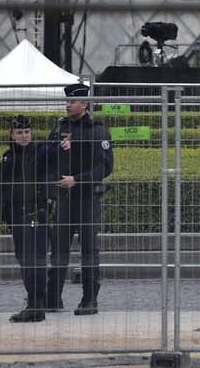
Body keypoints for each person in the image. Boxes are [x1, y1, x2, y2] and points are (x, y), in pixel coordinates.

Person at [45, 82, 114, 315]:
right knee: (59, 249)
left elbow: (104, 167)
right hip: (63, 198)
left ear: (85, 104)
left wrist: (77, 179)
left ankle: (89, 300)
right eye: (67, 101)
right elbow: (46, 158)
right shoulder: (59, 128)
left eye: (73, 101)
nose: (68, 104)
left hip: (86, 199)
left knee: (88, 250)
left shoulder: (96, 130)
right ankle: (53, 297)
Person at [0, 115, 57, 322]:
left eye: (27, 132)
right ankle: (34, 303)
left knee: (36, 259)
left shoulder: (42, 152)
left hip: (37, 212)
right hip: (17, 215)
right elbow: (2, 191)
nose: (24, 136)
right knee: (24, 260)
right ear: (12, 135)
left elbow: (56, 163)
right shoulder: (7, 159)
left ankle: (37, 304)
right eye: (19, 132)